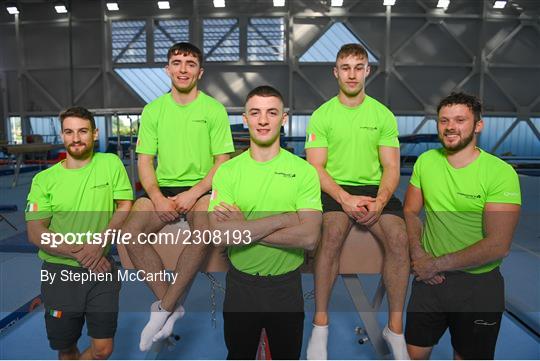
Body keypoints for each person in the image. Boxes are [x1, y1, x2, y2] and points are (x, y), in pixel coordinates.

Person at [121, 42, 234, 351]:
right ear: (167, 69)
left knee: (203, 234)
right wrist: (156, 197)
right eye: (177, 62)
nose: (183, 68)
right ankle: (170, 304)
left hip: (203, 190)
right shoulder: (154, 110)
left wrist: (195, 192)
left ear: (200, 71)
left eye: (190, 63)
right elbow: (145, 161)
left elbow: (222, 160)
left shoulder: (213, 109)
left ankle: (162, 309)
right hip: (163, 191)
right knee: (130, 234)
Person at [304, 43, 410, 360]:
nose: (352, 74)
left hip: (375, 188)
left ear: (367, 71)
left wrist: (379, 202)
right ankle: (320, 324)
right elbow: (315, 168)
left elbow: (392, 167)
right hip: (334, 189)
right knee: (331, 234)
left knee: (399, 238)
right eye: (345, 67)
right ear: (336, 72)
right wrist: (344, 198)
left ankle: (395, 328)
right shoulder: (322, 115)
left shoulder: (382, 115)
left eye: (358, 67)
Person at [403, 92, 521, 360]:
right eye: (443, 120)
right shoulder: (426, 161)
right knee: (413, 354)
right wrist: (418, 254)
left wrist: (436, 264)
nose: (450, 127)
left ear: (478, 125)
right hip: (429, 282)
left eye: (460, 120)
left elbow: (498, 245)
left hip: (477, 287)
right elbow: (410, 211)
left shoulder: (500, 173)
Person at [208, 85, 323, 359]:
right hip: (241, 287)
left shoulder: (304, 172)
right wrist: (284, 219)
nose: (262, 120)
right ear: (245, 119)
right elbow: (221, 236)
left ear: (283, 118)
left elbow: (309, 238)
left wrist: (244, 226)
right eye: (255, 113)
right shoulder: (227, 172)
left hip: (286, 289)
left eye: (271, 113)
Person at [26, 107, 133, 359]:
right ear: (62, 136)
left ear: (95, 133)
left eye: (83, 131)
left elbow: (124, 205)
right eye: (69, 132)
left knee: (103, 349)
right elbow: (36, 232)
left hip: (101, 270)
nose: (76, 138)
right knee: (66, 348)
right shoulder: (44, 180)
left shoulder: (110, 164)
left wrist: (100, 243)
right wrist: (82, 252)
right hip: (59, 274)